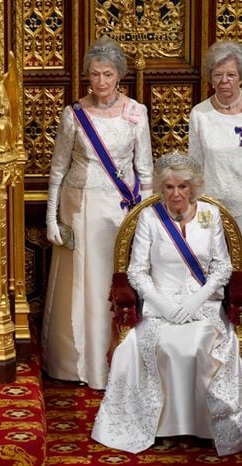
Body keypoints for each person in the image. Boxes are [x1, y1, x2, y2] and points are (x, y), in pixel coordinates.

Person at [92, 152, 242, 455]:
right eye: (170, 187)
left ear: (193, 187)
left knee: (197, 345)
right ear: (162, 188)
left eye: (183, 187)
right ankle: (166, 429)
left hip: (203, 307)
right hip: (161, 307)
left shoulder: (209, 216)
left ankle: (199, 428)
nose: (176, 194)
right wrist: (163, 305)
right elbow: (136, 271)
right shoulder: (150, 217)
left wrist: (196, 301)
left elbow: (222, 268)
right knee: (169, 346)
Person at [42, 36, 154, 390]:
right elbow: (57, 169)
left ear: (119, 75)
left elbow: (146, 172)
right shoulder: (73, 114)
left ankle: (117, 360)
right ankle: (73, 363)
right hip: (77, 207)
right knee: (79, 284)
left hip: (119, 212)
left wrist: (146, 221)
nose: (101, 82)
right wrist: (50, 218)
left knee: (113, 282)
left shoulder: (136, 113)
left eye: (107, 74)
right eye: (94, 75)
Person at [188, 40, 242, 233]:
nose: (224, 80)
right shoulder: (200, 114)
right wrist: (194, 205)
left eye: (231, 75)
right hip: (208, 205)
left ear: (240, 77)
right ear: (210, 78)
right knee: (208, 259)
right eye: (218, 75)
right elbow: (194, 166)